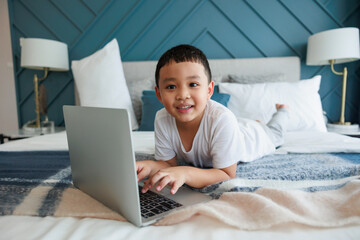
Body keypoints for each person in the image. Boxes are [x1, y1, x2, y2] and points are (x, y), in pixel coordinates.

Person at [136, 44, 289, 195]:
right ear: (159, 94)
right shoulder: (162, 118)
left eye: (193, 84)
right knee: (241, 124)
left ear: (209, 90)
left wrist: (186, 173)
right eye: (171, 87)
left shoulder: (222, 119)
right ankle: (254, 123)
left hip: (255, 137)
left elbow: (226, 173)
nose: (182, 95)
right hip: (235, 127)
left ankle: (283, 110)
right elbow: (169, 165)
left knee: (275, 132)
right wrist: (150, 166)